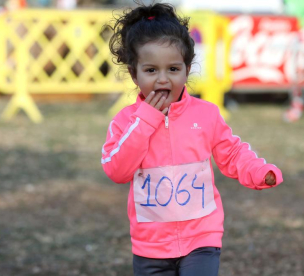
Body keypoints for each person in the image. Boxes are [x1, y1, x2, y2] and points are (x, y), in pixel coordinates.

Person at [101, 2, 283, 275]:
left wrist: (258, 171)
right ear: (134, 74)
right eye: (151, 70)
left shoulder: (207, 114)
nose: (163, 79)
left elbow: (232, 153)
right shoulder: (126, 121)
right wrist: (146, 119)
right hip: (151, 246)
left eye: (173, 69)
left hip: (201, 239)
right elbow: (117, 170)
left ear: (187, 69)